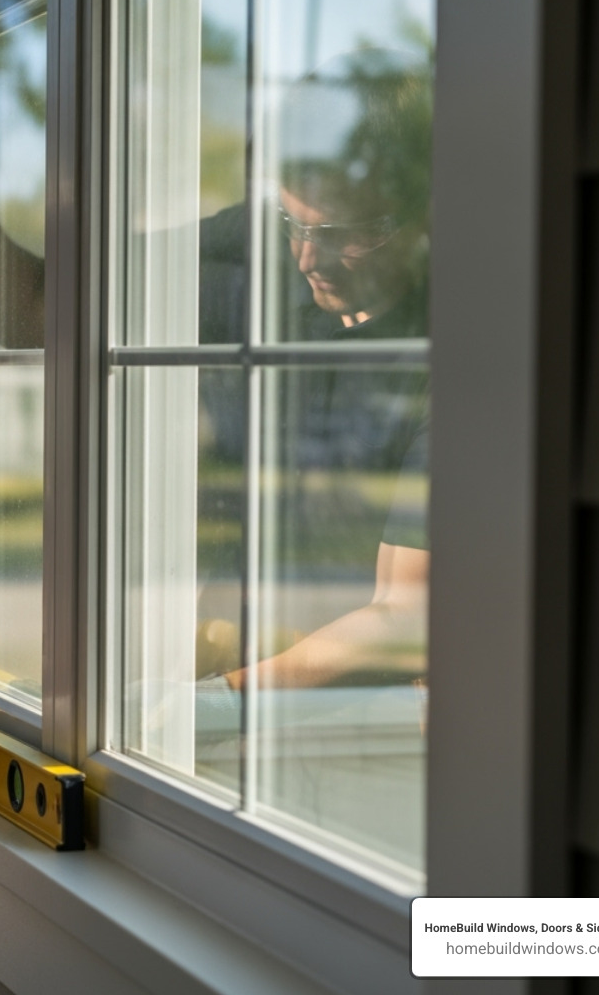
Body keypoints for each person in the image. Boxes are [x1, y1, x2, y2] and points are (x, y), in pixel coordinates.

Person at [193, 50, 432, 711]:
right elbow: (41, 306)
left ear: (421, 213)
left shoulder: (454, 349)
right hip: (225, 681)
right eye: (293, 222)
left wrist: (209, 706)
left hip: (355, 723)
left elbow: (406, 615)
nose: (306, 257)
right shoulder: (257, 246)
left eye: (341, 232)